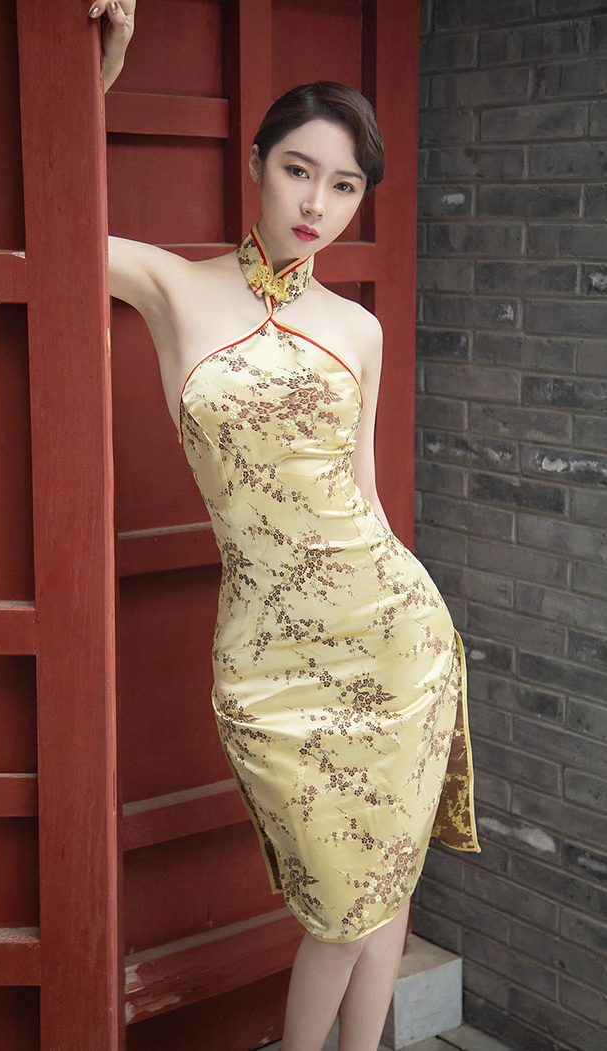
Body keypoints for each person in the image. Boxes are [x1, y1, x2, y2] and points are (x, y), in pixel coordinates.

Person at [88, 4, 481, 1050]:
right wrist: (100, 79)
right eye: (300, 170)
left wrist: (421, 619)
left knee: (384, 888)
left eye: (344, 185)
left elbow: (366, 496)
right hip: (267, 658)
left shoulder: (360, 328)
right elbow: (57, 225)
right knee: (340, 906)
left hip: (393, 636)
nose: (317, 202)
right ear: (256, 165)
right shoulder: (174, 288)